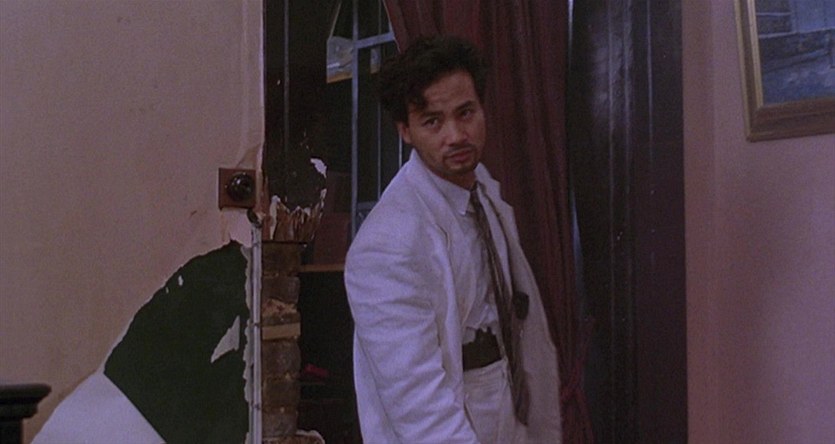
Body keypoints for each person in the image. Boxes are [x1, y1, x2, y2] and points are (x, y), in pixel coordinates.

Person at [344, 35, 562, 443]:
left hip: (507, 407)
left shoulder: (483, 190)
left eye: (466, 113)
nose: (456, 135)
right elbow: (419, 405)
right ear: (405, 131)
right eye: (433, 121)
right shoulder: (386, 244)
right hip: (452, 421)